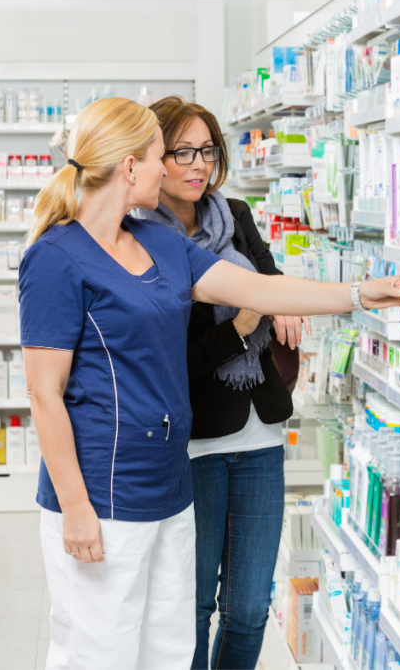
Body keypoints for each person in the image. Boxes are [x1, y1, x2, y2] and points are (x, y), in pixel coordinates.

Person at [20, 96, 400, 670]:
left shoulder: (158, 244)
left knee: (169, 650)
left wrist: (356, 294)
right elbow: (43, 394)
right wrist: (75, 506)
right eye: (159, 157)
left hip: (169, 489)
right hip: (101, 493)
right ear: (129, 167)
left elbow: (262, 292)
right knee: (100, 651)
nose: (173, 169)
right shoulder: (56, 258)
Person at [132, 96, 303, 670]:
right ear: (153, 156)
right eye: (181, 151)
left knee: (251, 608)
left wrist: (284, 303)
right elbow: (168, 360)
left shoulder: (236, 213)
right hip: (196, 441)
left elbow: (271, 278)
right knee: (196, 604)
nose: (196, 163)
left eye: (206, 150)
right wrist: (243, 325)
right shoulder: (139, 242)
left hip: (260, 434)